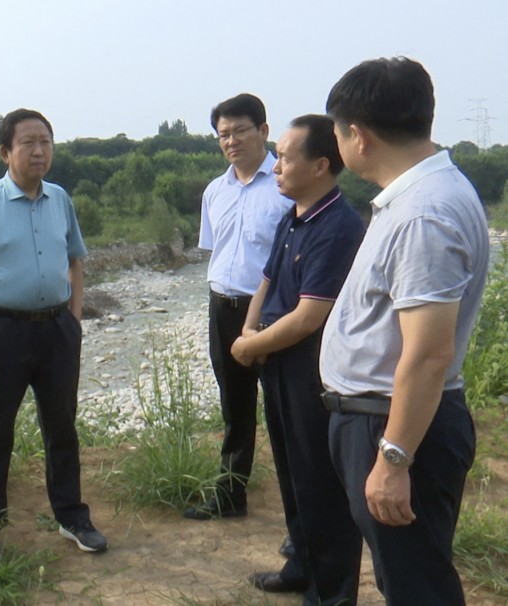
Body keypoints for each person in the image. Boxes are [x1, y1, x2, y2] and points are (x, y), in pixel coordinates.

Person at [321, 57, 489, 605]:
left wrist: (394, 460)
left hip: (395, 424)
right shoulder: (418, 197)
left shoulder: (424, 214)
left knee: (418, 585)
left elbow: (429, 353)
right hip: (384, 418)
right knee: (406, 577)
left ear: (359, 136)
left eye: (337, 133)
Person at [0, 108, 107, 553]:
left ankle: (72, 517)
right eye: (28, 142)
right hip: (3, 331)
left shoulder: (60, 199)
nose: (39, 150)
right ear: (6, 152)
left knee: (62, 426)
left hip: (57, 329)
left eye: (45, 141)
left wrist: (74, 319)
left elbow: (75, 261)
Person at [230, 115, 364, 604]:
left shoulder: (339, 226)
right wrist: (250, 329)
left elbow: (309, 317)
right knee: (291, 471)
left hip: (313, 370)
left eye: (285, 158)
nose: (276, 166)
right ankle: (302, 566)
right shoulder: (294, 216)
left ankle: (331, 592)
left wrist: (250, 346)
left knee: (320, 480)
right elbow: (267, 280)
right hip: (278, 364)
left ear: (321, 165)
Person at [185, 94, 292, 520]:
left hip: (273, 313)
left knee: (285, 410)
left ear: (263, 131)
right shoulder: (215, 191)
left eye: (240, 131)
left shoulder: (286, 187)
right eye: (223, 134)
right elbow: (217, 250)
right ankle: (230, 496)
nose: (231, 141)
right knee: (235, 406)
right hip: (223, 307)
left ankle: (300, 512)